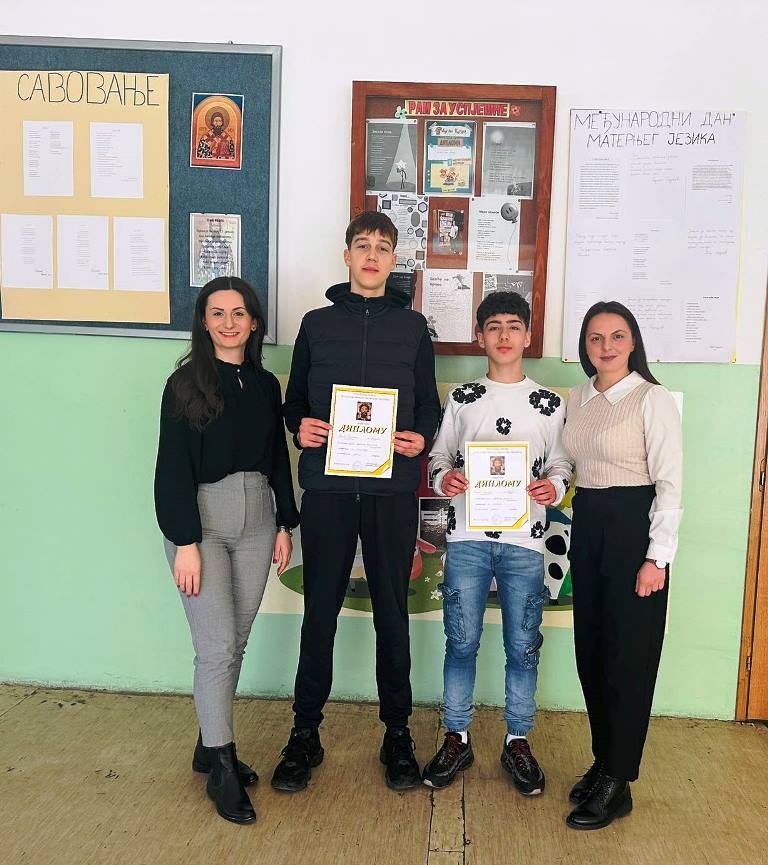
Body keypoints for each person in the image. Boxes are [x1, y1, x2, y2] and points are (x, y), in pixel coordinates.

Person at [272, 211, 441, 793]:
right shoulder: (316, 325)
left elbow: (428, 406)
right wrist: (301, 427)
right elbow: (294, 402)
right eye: (363, 245)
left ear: (393, 260)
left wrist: (421, 437)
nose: (372, 256)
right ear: (346, 255)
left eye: (383, 247)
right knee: (319, 612)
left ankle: (398, 734)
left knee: (393, 613)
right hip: (328, 489)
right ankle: (304, 733)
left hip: (392, 491)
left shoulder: (414, 328)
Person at [154, 276, 298, 825]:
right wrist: (185, 543)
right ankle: (221, 765)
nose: (229, 322)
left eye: (239, 313)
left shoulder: (264, 385)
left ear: (254, 322)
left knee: (235, 641)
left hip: (258, 518)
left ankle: (206, 742)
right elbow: (172, 468)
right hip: (203, 523)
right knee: (215, 648)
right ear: (204, 321)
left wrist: (284, 523)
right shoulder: (184, 384)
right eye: (217, 313)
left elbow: (277, 456)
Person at [422, 291, 571, 794]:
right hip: (467, 538)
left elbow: (562, 462)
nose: (504, 335)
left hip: (525, 542)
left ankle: (517, 740)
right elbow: (439, 456)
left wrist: (555, 486)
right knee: (461, 641)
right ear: (480, 336)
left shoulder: (549, 404)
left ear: (528, 336)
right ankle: (457, 736)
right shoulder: (463, 398)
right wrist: (445, 479)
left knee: (523, 646)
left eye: (513, 326)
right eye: (493, 326)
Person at [562, 300, 682, 830]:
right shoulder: (579, 397)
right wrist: (552, 481)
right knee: (591, 652)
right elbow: (568, 460)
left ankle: (620, 780)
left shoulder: (652, 399)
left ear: (633, 342)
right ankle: (603, 759)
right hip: (588, 525)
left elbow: (670, 485)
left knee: (628, 659)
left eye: (616, 336)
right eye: (595, 337)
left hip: (634, 532)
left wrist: (657, 558)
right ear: (585, 346)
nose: (605, 346)